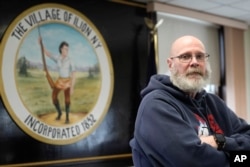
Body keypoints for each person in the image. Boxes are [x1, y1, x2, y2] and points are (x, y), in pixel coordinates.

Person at [130, 35, 250, 167]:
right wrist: (237, 158)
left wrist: (219, 141)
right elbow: (194, 161)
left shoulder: (213, 102)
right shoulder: (156, 105)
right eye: (185, 57)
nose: (194, 62)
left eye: (200, 56)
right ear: (170, 65)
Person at [39, 39, 76, 124]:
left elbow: (74, 73)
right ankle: (59, 112)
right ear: (61, 49)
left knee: (67, 99)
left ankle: (67, 118)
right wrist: (41, 44)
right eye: (65, 49)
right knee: (54, 97)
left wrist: (72, 87)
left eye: (67, 49)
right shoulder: (57, 58)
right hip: (60, 80)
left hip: (67, 81)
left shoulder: (70, 60)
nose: (67, 51)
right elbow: (47, 54)